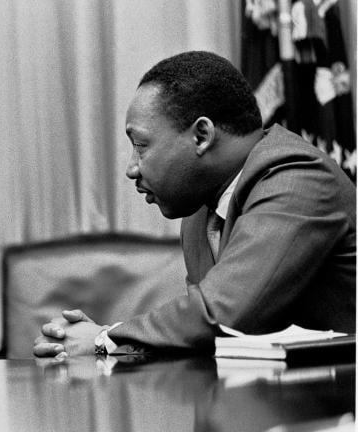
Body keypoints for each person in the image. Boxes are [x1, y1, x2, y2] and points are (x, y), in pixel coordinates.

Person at [34, 51, 356, 358]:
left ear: (202, 135)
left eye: (141, 146)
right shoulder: (200, 210)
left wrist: (106, 339)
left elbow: (220, 314)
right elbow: (201, 337)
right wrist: (99, 341)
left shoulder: (296, 179)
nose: (132, 168)